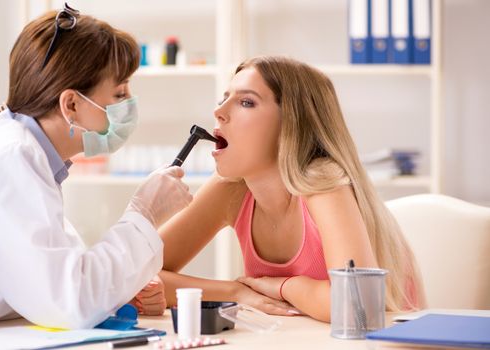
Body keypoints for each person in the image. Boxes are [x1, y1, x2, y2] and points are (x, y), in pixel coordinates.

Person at [0, 4, 192, 329]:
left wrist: (119, 291)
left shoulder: (28, 154)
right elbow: (69, 301)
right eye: (119, 93)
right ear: (71, 104)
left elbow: (57, 274)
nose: (128, 106)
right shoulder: (10, 157)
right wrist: (145, 213)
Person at [159, 56, 426, 322]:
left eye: (246, 102)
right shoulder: (230, 189)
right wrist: (235, 292)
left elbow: (355, 305)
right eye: (223, 99)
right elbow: (132, 276)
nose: (219, 112)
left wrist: (284, 286)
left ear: (291, 125)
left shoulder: (322, 182)